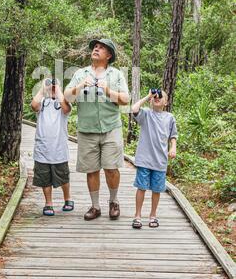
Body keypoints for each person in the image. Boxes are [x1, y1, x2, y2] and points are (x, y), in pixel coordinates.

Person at [64, 38, 130, 221]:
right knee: (91, 170)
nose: (96, 49)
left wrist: (108, 91)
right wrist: (79, 86)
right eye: (95, 47)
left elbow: (125, 99)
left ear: (108, 55)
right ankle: (95, 206)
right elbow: (67, 97)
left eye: (101, 48)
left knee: (111, 168)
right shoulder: (80, 73)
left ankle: (114, 201)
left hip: (111, 128)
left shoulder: (116, 74)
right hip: (87, 129)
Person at [131, 88, 178, 229]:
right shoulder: (145, 114)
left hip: (160, 160)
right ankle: (137, 216)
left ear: (166, 102)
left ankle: (153, 215)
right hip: (144, 159)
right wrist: (148, 96)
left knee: (157, 190)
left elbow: (173, 135)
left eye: (160, 97)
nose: (157, 98)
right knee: (141, 187)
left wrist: (173, 147)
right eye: (155, 97)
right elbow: (134, 108)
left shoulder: (169, 117)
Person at [31, 78, 74, 216]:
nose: (52, 87)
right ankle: (48, 203)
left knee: (63, 176)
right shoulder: (42, 103)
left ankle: (68, 199)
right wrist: (44, 89)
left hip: (59, 149)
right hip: (42, 148)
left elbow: (66, 108)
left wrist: (58, 89)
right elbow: (33, 105)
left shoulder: (63, 104)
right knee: (44, 178)